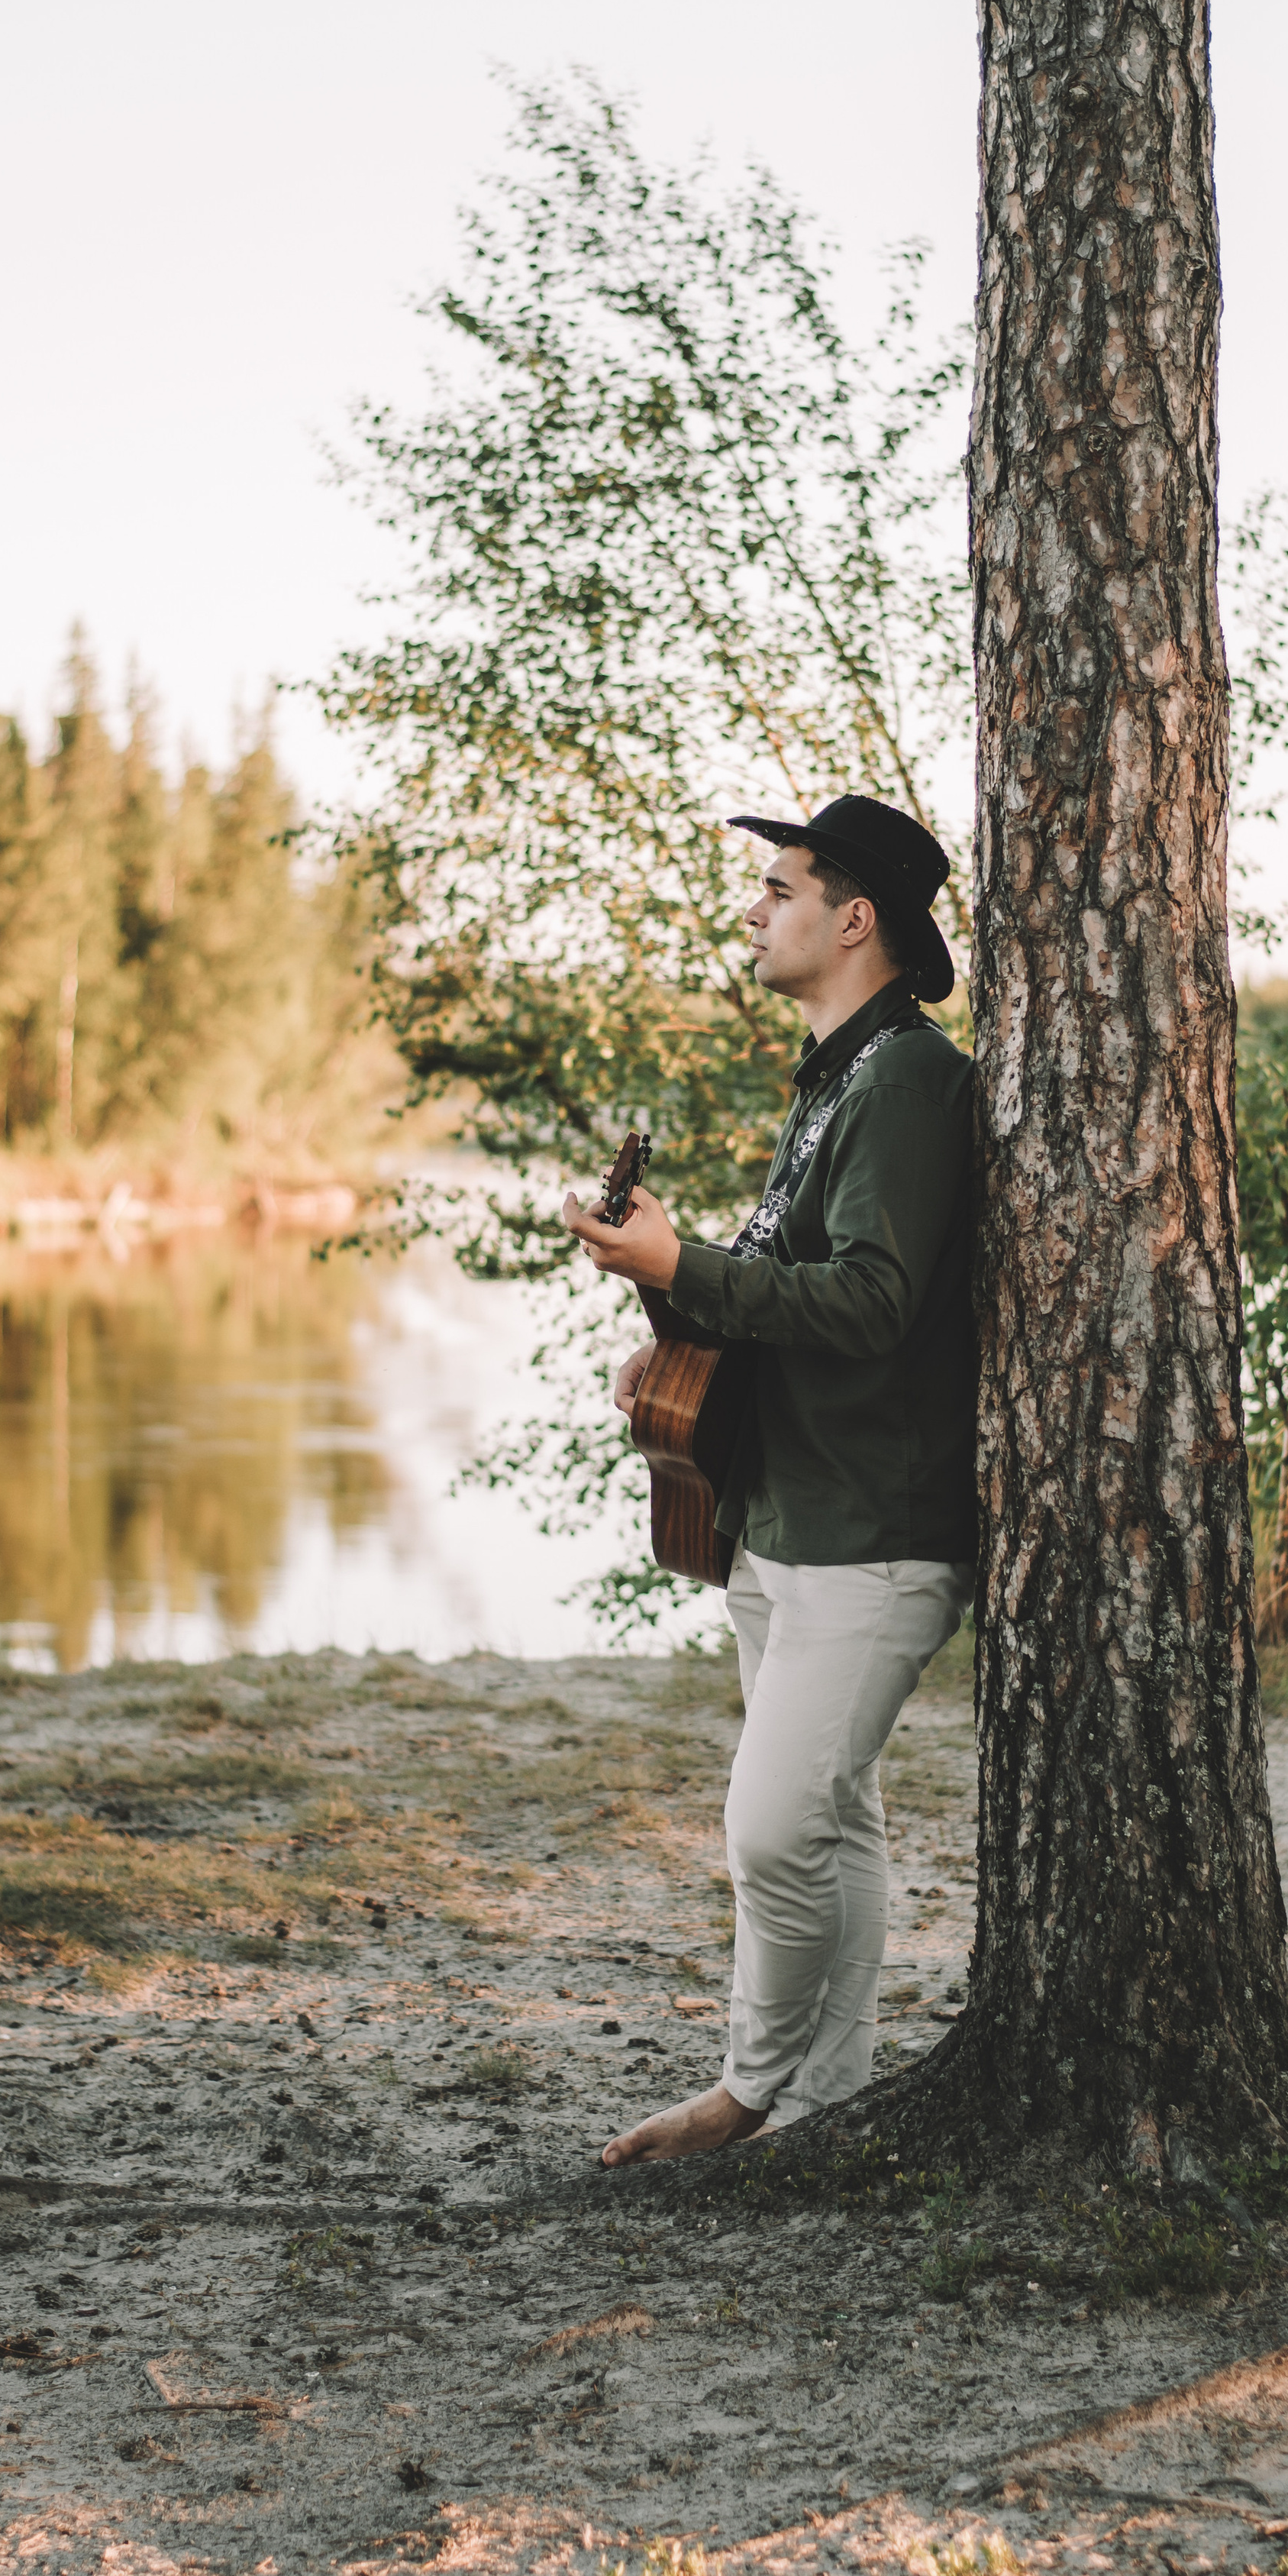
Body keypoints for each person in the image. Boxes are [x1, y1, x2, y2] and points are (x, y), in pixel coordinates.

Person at [560, 793, 976, 2165]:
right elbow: (790, 1295)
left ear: (857, 920)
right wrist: (671, 1336)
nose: (757, 906)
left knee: (772, 1828)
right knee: (834, 1825)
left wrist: (686, 1270)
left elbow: (874, 1302)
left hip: (875, 1529)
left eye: (781, 888)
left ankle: (743, 2095)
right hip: (788, 1518)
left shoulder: (909, 1079)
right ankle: (831, 2101)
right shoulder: (832, 1082)